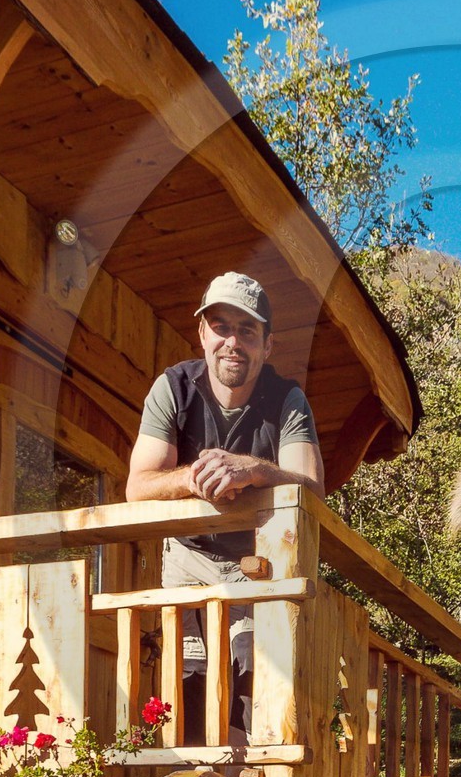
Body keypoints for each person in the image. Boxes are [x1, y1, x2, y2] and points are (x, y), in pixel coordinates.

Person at [127, 273, 323, 744]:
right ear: (202, 334)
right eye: (220, 326)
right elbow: (138, 486)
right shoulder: (173, 388)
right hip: (188, 558)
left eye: (247, 331)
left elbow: (312, 489)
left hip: (257, 561)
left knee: (253, 674)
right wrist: (195, 476)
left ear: (267, 345)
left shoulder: (287, 401)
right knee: (189, 676)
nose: (232, 341)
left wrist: (254, 469)